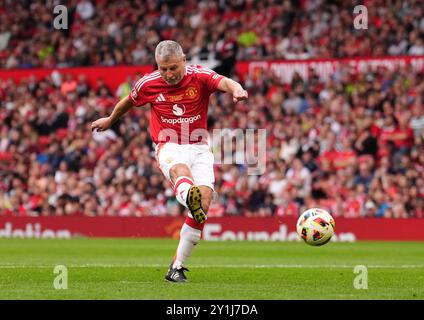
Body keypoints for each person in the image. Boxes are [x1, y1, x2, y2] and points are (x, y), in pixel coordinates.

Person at [91, 40, 248, 282]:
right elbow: (129, 102)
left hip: (199, 146)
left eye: (173, 67)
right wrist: (110, 120)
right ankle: (188, 195)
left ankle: (177, 267)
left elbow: (224, 81)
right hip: (168, 144)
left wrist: (237, 90)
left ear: (184, 60)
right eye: (163, 68)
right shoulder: (149, 83)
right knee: (180, 171)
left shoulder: (200, 76)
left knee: (203, 206)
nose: (169, 74)